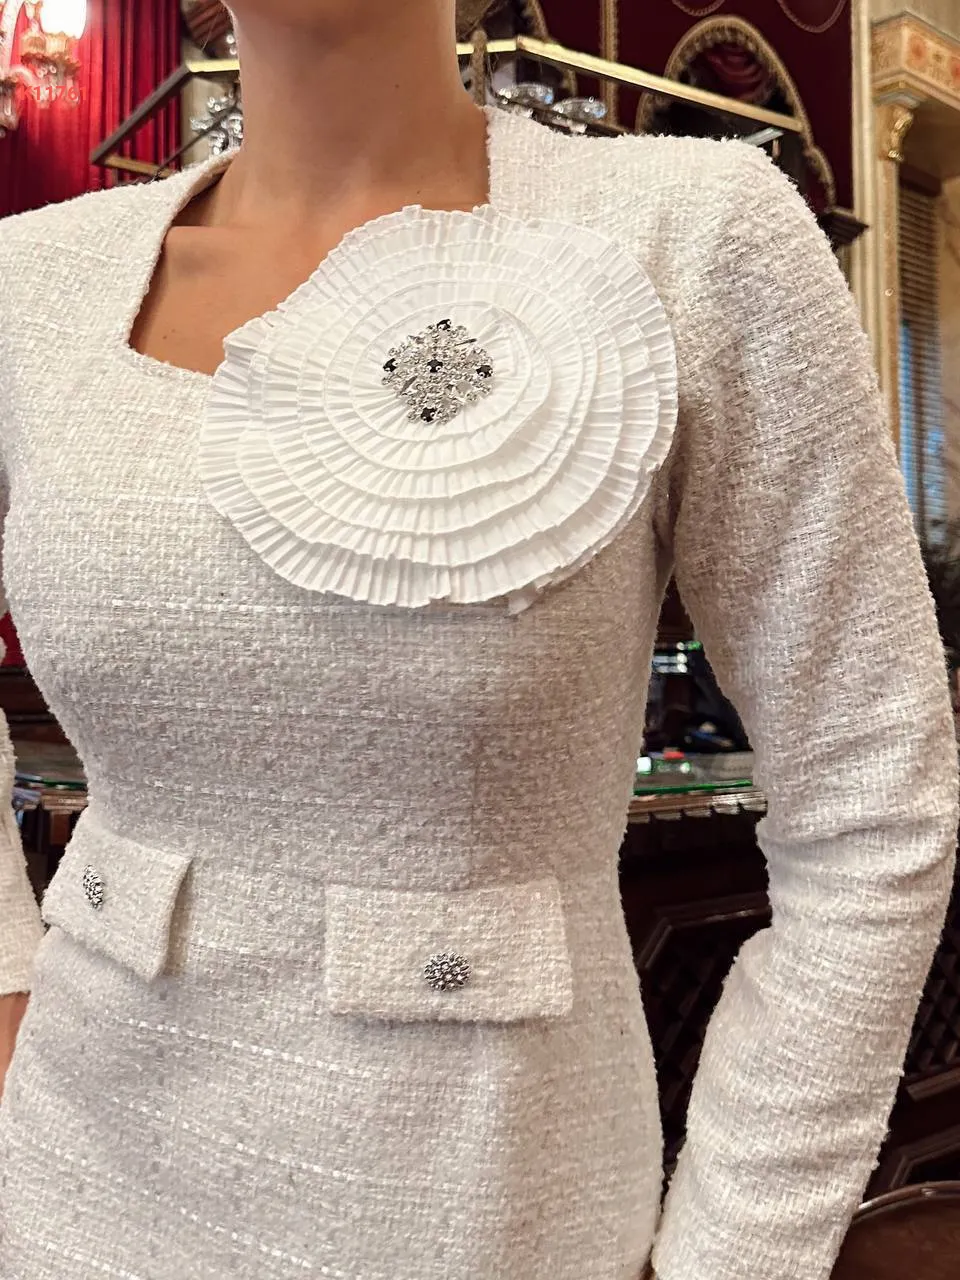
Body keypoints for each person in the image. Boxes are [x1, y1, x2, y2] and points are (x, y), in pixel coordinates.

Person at [0, 2, 956, 1278]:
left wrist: (737, 1250)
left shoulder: (695, 233)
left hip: (490, 1209)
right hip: (62, 1184)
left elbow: (873, 801)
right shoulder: (31, 282)